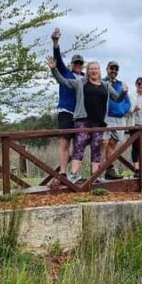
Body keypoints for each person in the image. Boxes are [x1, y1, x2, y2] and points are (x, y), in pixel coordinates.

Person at [46, 57, 126, 183]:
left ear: (100, 71)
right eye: (91, 69)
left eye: (96, 69)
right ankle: (74, 174)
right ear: (88, 71)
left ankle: (95, 176)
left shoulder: (106, 85)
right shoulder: (80, 83)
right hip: (83, 120)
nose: (94, 71)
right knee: (79, 145)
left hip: (99, 122)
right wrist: (54, 69)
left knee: (96, 148)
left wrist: (124, 93)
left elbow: (117, 99)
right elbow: (63, 81)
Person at [50, 27, 85, 186]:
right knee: (65, 142)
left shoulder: (85, 79)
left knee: (79, 144)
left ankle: (74, 172)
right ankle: (62, 172)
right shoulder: (66, 73)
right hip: (66, 111)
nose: (77, 65)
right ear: (72, 64)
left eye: (80, 63)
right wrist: (56, 43)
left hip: (80, 115)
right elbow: (58, 61)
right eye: (75, 63)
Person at [101, 60, 131, 180]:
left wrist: (122, 110)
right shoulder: (103, 82)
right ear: (107, 69)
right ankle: (99, 172)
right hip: (106, 117)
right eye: (111, 68)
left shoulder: (121, 84)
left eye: (116, 69)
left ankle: (110, 170)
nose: (113, 71)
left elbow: (128, 102)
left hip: (119, 118)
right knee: (104, 143)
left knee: (113, 144)